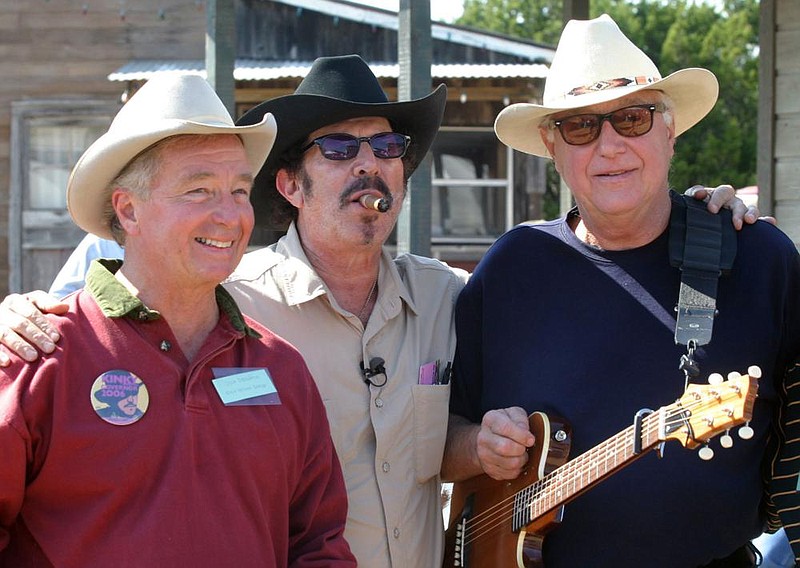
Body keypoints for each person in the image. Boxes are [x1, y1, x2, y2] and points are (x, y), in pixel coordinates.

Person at [0, 55, 764, 567]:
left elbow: (448, 444)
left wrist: (698, 212)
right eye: (337, 149)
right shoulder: (230, 302)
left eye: (388, 146)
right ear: (292, 187)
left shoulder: (451, 298)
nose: (370, 165)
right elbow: (123, 306)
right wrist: (22, 317)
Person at [443, 14, 800, 568]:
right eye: (581, 127)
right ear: (551, 144)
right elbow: (442, 440)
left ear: (669, 127)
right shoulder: (511, 268)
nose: (609, 146)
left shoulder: (758, 260)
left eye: (632, 118)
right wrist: (479, 447)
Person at [0, 74, 355, 566]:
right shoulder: (36, 357)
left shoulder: (281, 369)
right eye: (199, 190)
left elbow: (319, 545)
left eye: (238, 190)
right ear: (128, 210)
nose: (230, 216)